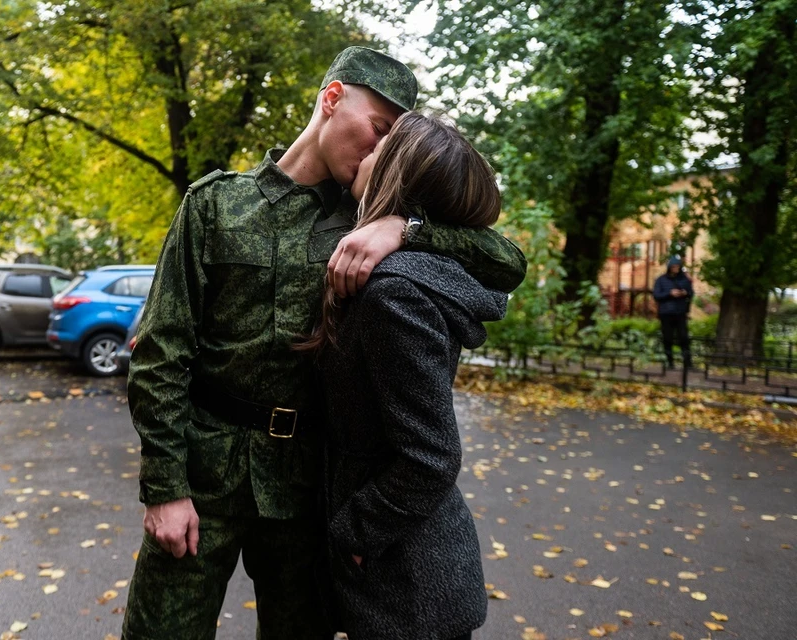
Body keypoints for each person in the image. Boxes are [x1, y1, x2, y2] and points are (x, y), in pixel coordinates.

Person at [121, 46, 527, 640]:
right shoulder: (215, 203)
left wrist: (405, 227)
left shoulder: (373, 216)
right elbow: (161, 351)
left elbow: (506, 261)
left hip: (309, 485)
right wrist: (165, 489)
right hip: (203, 471)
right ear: (333, 99)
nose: (380, 150)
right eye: (379, 129)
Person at [299, 112, 506, 640]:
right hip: (402, 561)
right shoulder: (410, 269)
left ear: (398, 171)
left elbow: (431, 456)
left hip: (407, 572)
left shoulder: (395, 292)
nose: (370, 146)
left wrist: (353, 534)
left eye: (384, 142)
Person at [653, 256, 694, 369]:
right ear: (669, 267)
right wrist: (669, 293)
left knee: (683, 337)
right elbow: (656, 295)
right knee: (668, 338)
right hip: (666, 313)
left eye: (677, 266)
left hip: (680, 312)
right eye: (674, 266)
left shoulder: (684, 279)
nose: (676, 268)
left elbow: (691, 293)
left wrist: (685, 292)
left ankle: (688, 363)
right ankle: (670, 362)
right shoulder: (661, 280)